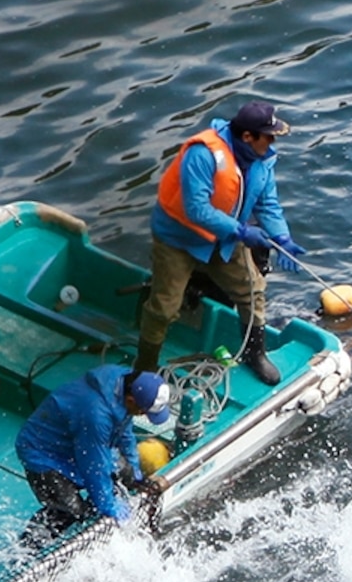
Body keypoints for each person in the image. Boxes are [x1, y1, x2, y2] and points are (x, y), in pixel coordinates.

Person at [136, 99, 300, 387]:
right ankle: (145, 367)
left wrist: (281, 236)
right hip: (179, 239)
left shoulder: (262, 161)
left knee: (253, 290)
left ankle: (254, 353)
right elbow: (196, 209)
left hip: (224, 238)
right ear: (248, 136)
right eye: (269, 135)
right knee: (164, 307)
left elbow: (267, 204)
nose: (273, 141)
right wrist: (240, 232)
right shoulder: (203, 155)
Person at [19, 365, 173, 542]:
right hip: (42, 453)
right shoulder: (96, 416)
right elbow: (94, 466)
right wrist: (109, 506)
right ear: (131, 400)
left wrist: (134, 468)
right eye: (143, 412)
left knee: (121, 480)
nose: (144, 416)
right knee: (71, 511)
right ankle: (28, 548)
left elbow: (125, 428)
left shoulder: (124, 381)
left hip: (77, 443)